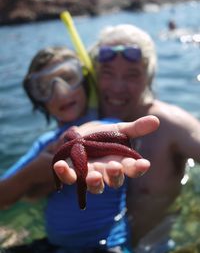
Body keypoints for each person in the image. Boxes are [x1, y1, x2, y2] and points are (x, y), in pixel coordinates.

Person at [54, 24, 200, 252]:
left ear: (149, 78)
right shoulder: (82, 124)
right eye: (107, 73)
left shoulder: (172, 126)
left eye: (132, 75)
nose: (117, 87)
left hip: (153, 245)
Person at [0, 45, 159, 253]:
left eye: (68, 77)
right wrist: (34, 173)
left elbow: (97, 132)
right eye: (44, 87)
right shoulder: (45, 146)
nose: (60, 91)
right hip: (54, 246)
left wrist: (83, 133)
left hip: (108, 245)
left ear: (85, 81)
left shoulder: (107, 124)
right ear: (38, 100)